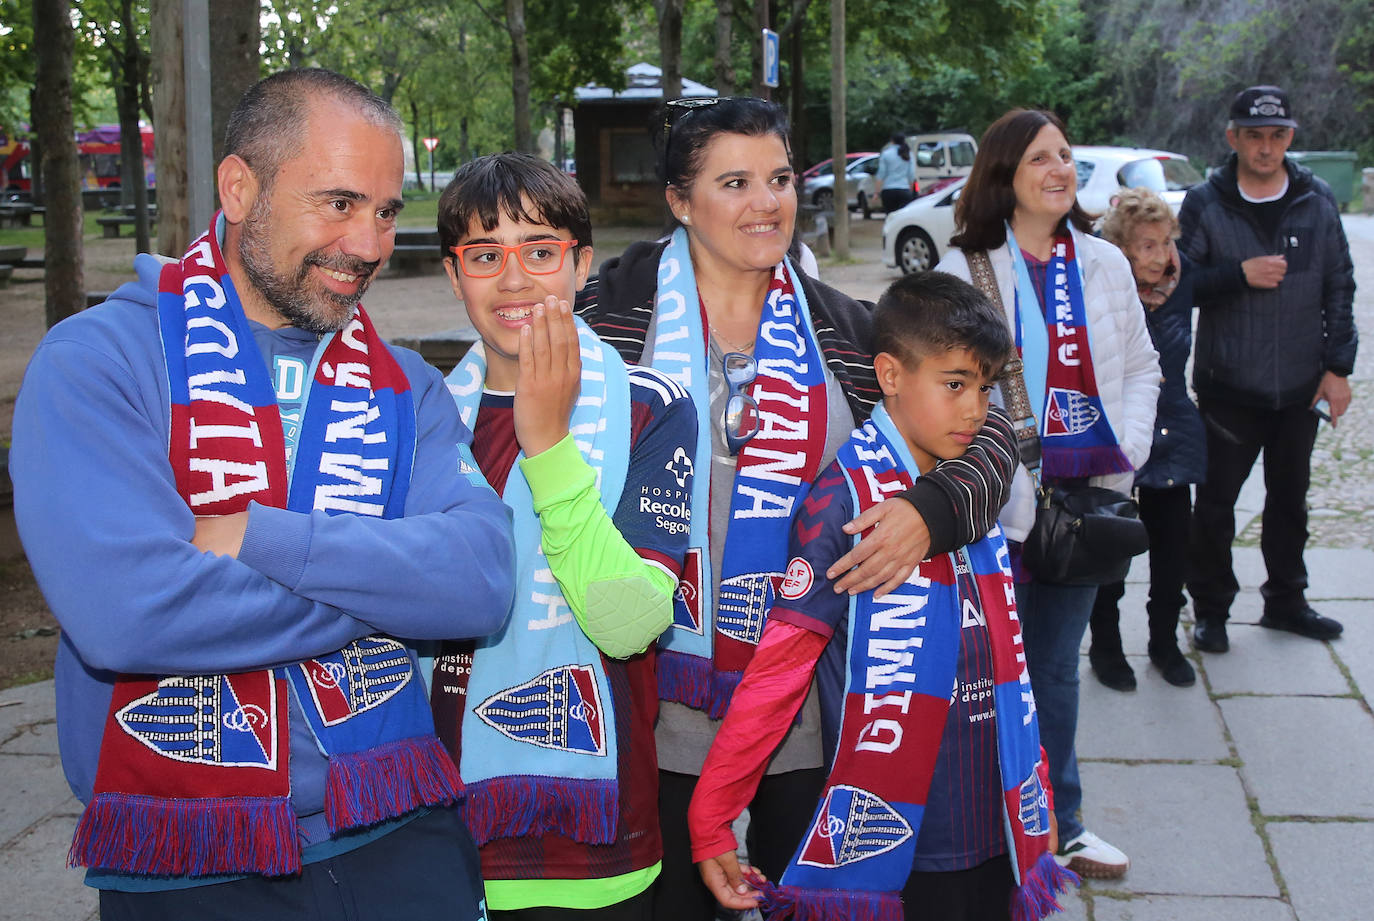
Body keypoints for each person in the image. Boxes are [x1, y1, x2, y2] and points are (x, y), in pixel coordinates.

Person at [9, 69, 516, 920]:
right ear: (240, 188)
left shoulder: (408, 390)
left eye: (388, 211)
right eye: (339, 203)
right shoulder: (96, 362)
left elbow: (480, 581)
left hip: (399, 824)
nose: (369, 244)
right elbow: (128, 612)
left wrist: (261, 537)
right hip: (189, 854)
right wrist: (391, 589)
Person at [575, 95, 1019, 920]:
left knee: (803, 902)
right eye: (735, 182)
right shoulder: (609, 320)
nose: (766, 202)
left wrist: (930, 509)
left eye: (778, 178)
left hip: (809, 708)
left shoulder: (846, 330)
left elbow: (994, 434)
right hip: (652, 689)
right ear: (680, 200)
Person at [687, 271, 1076, 921]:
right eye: (954, 384)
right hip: (905, 837)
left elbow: (1008, 654)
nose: (976, 409)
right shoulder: (842, 502)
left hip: (998, 816)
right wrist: (713, 813)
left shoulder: (965, 489)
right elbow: (779, 669)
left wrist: (1037, 797)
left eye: (983, 387)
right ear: (891, 375)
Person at [428, 152, 696, 919]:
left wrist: (546, 446)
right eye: (484, 255)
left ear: (581, 265)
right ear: (455, 276)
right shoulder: (421, 413)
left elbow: (631, 622)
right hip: (436, 827)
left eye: (540, 252)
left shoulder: (650, 407)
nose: (513, 280)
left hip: (596, 838)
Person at [937, 108, 1160, 880]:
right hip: (991, 506)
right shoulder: (963, 267)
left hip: (1084, 505)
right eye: (1041, 158)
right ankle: (983, 824)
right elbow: (940, 392)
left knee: (1057, 667)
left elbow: (1142, 368)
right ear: (1005, 174)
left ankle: (1060, 822)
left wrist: (1123, 451)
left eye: (1066, 156)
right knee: (984, 668)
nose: (1060, 169)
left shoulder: (1103, 262)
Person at [1179, 85, 1358, 654]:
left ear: (1291, 137)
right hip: (1229, 387)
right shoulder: (1205, 203)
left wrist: (1338, 368)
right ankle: (1210, 610)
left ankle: (1287, 601)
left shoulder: (1317, 198)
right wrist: (1237, 274)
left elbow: (1339, 285)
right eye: (1253, 135)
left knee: (1290, 501)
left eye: (1277, 135)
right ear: (1232, 138)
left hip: (1300, 387)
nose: (1265, 146)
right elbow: (1174, 284)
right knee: (1213, 508)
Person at [1087, 188, 1249, 691]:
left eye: (1165, 242)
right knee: (1108, 551)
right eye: (1147, 245)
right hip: (1114, 437)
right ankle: (1107, 647)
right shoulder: (1099, 289)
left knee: (1172, 550)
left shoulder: (1182, 281)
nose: (1161, 256)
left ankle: (1163, 642)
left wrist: (1252, 271)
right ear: (1120, 248)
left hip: (1173, 434)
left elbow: (1224, 278)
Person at [875, 131, 917, 214]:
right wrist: (911, 190)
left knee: (890, 217)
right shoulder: (909, 154)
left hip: (888, 191)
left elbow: (881, 174)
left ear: (892, 141)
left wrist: (877, 192)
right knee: (903, 218)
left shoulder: (886, 154)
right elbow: (911, 175)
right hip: (904, 190)